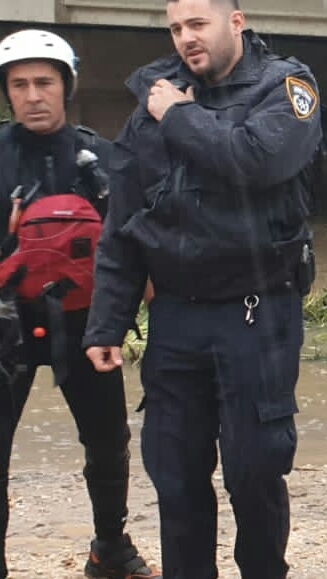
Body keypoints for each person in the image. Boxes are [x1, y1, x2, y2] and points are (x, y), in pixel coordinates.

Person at [84, 0, 322, 579]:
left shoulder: (287, 87)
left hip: (258, 310)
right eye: (175, 28)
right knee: (177, 471)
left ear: (234, 22)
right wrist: (107, 321)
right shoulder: (155, 104)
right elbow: (124, 223)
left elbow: (259, 161)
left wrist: (181, 118)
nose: (186, 38)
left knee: (255, 467)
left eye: (197, 24)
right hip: (177, 318)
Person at [0, 29, 159, 579]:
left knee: (109, 444)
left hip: (88, 327)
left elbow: (137, 246)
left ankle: (109, 550)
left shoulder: (105, 159)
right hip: (6, 328)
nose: (32, 95)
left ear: (66, 87)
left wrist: (134, 315)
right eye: (19, 85)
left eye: (44, 82)